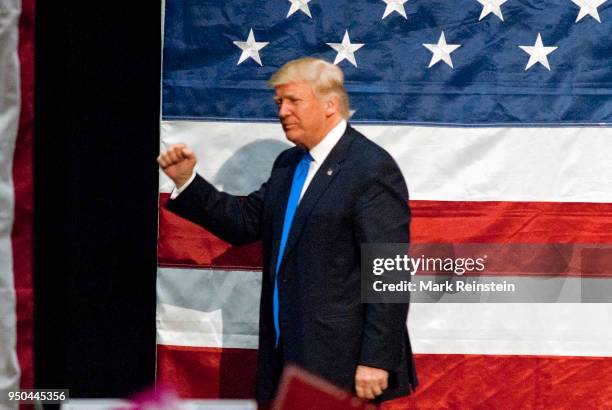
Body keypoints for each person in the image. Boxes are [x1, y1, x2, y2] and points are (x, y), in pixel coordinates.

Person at [157, 57, 417, 404]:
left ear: (330, 104)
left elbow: (389, 271)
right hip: (284, 357)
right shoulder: (288, 163)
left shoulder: (370, 168)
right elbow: (245, 222)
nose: (282, 112)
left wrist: (375, 359)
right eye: (279, 103)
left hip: (340, 364)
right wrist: (186, 181)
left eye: (293, 101)